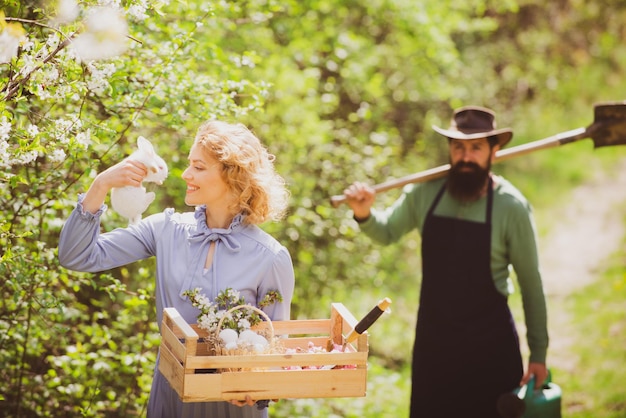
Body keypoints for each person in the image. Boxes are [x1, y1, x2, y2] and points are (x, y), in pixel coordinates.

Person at [58, 120, 295, 418]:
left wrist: (255, 390)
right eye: (188, 165)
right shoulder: (166, 228)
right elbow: (77, 256)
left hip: (228, 405)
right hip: (168, 395)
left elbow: (274, 345)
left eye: (198, 167)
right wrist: (101, 184)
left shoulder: (270, 256)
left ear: (233, 175)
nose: (185, 175)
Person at [343, 106, 549, 417]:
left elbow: (531, 284)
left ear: (494, 151)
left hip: (490, 348)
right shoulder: (425, 193)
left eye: (476, 147)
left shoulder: (512, 207)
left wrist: (539, 353)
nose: (466, 157)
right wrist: (363, 213)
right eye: (459, 147)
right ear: (450, 150)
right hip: (435, 345)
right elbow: (386, 232)